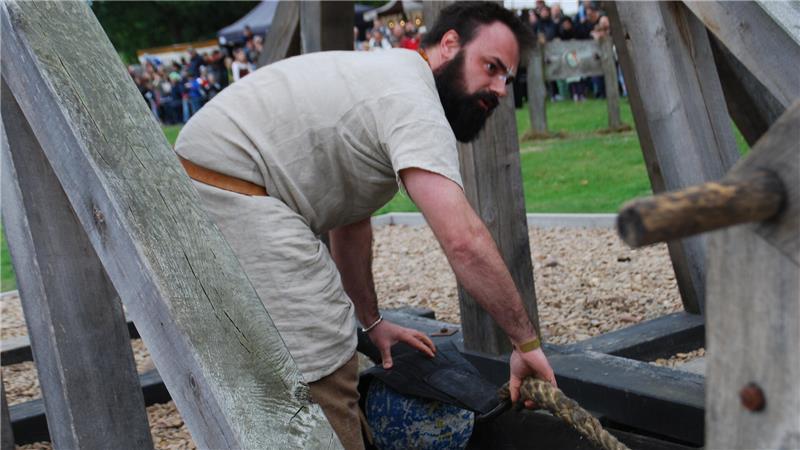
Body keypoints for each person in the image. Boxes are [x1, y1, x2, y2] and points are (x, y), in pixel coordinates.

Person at [174, 3, 556, 448]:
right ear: (450, 44)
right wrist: (526, 344)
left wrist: (372, 322)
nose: (500, 89)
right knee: (323, 346)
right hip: (227, 189)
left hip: (217, 182)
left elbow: (350, 225)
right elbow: (464, 240)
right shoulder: (414, 101)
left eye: (506, 78)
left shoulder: (389, 75)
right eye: (490, 67)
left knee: (326, 340)